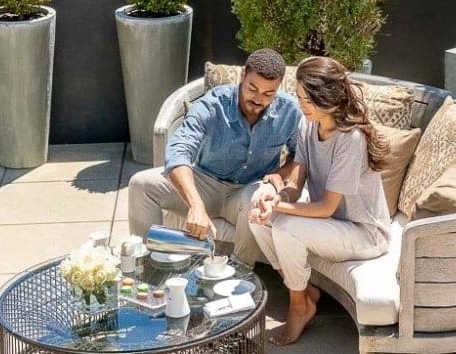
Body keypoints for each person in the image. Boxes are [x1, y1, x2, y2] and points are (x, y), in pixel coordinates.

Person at [248, 56, 391, 346]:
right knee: (259, 211)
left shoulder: (350, 138)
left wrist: (279, 207)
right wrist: (274, 198)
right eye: (299, 97)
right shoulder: (308, 124)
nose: (301, 105)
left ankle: (299, 305)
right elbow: (297, 178)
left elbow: (325, 208)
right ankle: (304, 293)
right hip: (332, 225)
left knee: (286, 226)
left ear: (328, 98)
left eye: (307, 99)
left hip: (364, 234)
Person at [127, 48, 302, 266]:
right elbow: (178, 150)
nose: (258, 99)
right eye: (252, 88)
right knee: (140, 184)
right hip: (205, 182)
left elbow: (301, 154)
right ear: (242, 77)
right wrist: (195, 205)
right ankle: (147, 266)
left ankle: (242, 271)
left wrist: (279, 174)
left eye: (268, 94)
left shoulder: (290, 111)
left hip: (249, 188)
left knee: (257, 199)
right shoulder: (213, 103)